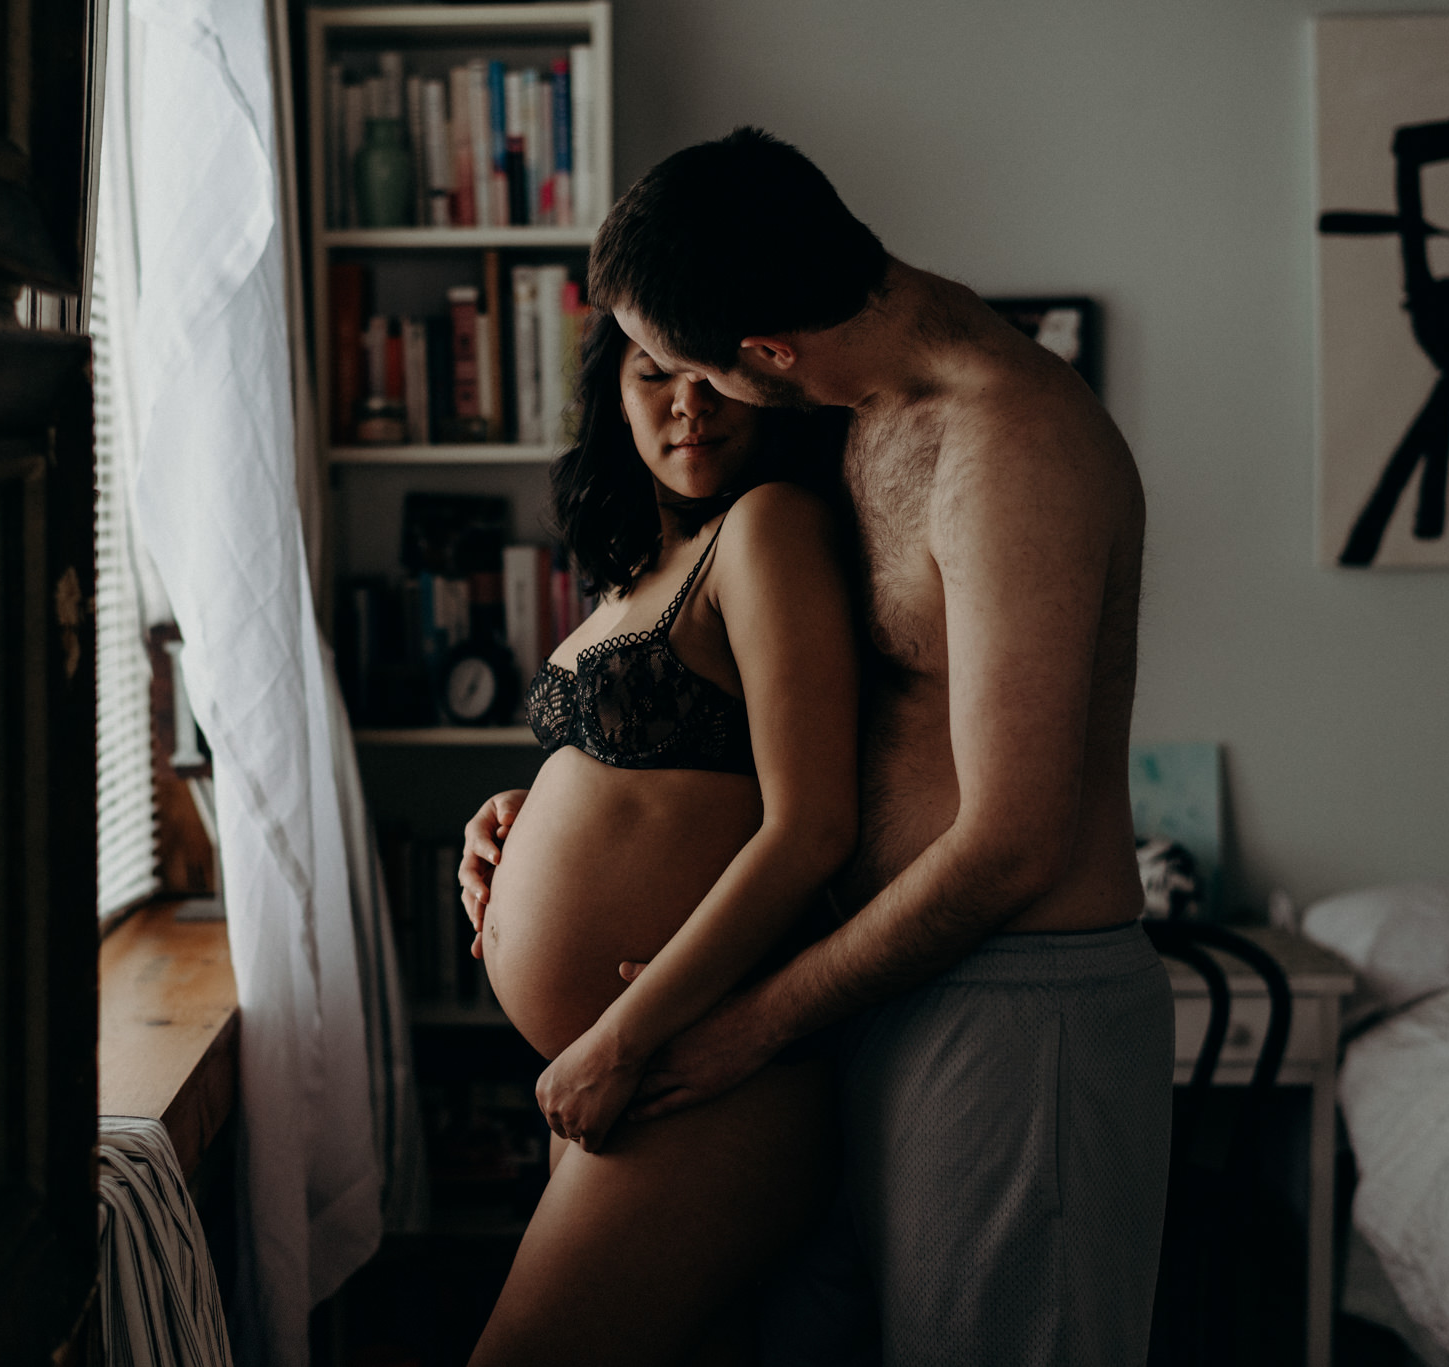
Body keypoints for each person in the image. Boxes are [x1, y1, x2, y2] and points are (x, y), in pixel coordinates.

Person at [461, 128, 1171, 1366]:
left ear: (765, 355)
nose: (682, 402)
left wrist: (747, 1025)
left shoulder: (1013, 445)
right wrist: (562, 815)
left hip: (1007, 999)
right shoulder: (858, 409)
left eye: (690, 370)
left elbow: (1008, 840)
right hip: (865, 985)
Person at [463, 306, 860, 1366]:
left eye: (711, 375)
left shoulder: (768, 523)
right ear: (614, 397)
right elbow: (659, 768)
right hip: (624, 1063)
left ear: (766, 384)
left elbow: (809, 825)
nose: (685, 403)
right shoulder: (639, 563)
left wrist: (620, 1035)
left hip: (693, 1067)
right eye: (652, 376)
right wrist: (520, 809)